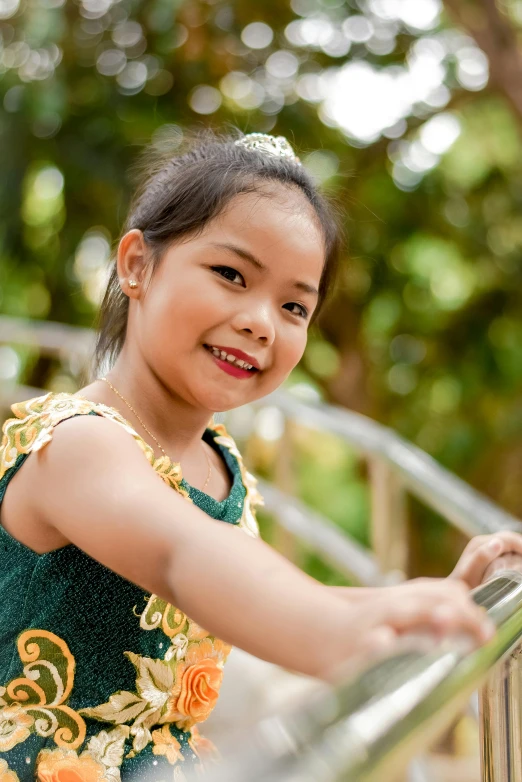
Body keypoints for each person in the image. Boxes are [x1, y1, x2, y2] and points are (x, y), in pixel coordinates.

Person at [0, 131, 521, 782]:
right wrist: (335, 634)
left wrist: (429, 602)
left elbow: (253, 586)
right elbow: (183, 555)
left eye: (294, 305)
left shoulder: (221, 466)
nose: (261, 322)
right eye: (231, 275)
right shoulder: (75, 443)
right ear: (137, 265)